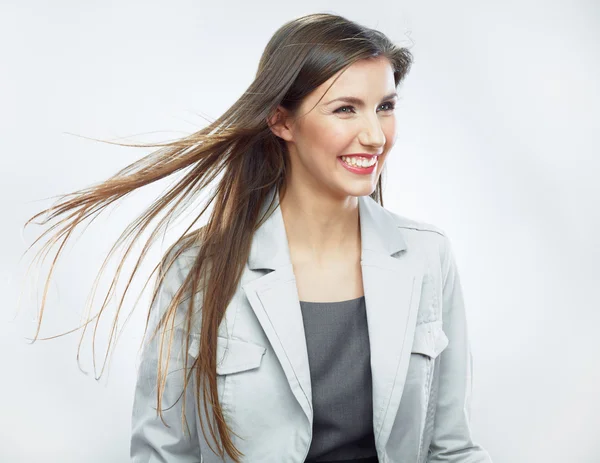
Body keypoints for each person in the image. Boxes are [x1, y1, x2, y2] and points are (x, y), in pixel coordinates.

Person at [23, 12, 492, 463]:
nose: (374, 136)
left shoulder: (427, 255)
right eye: (346, 109)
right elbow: (164, 454)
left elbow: (452, 449)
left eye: (385, 107)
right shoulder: (198, 268)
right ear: (281, 121)